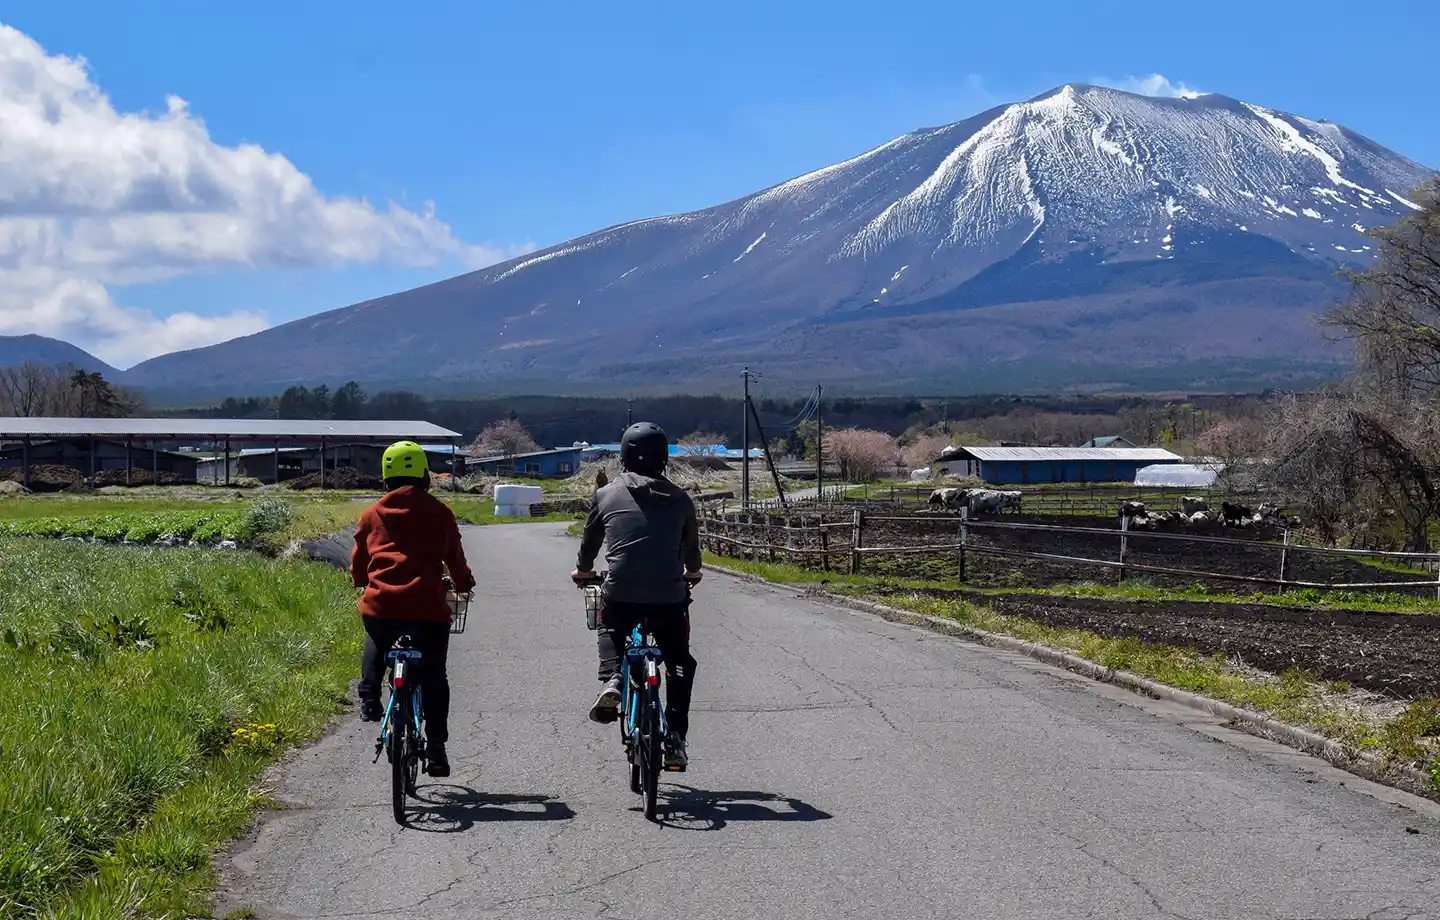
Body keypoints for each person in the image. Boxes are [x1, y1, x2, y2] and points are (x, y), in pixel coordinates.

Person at [573, 421, 703, 769]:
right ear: (664, 459)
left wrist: (583, 571)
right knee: (679, 663)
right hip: (669, 598)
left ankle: (612, 676)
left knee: (609, 626)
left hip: (622, 592)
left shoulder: (606, 495)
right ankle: (675, 738)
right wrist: (692, 572)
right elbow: (692, 551)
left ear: (624, 456)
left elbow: (589, 544)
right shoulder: (680, 499)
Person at [351, 440, 475, 778]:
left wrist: (362, 579)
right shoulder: (440, 513)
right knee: (435, 674)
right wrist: (463, 584)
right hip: (427, 608)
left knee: (377, 635)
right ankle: (435, 744)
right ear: (424, 475)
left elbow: (360, 562)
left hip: (383, 604)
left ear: (385, 477)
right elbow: (456, 561)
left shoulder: (371, 514)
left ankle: (369, 697)